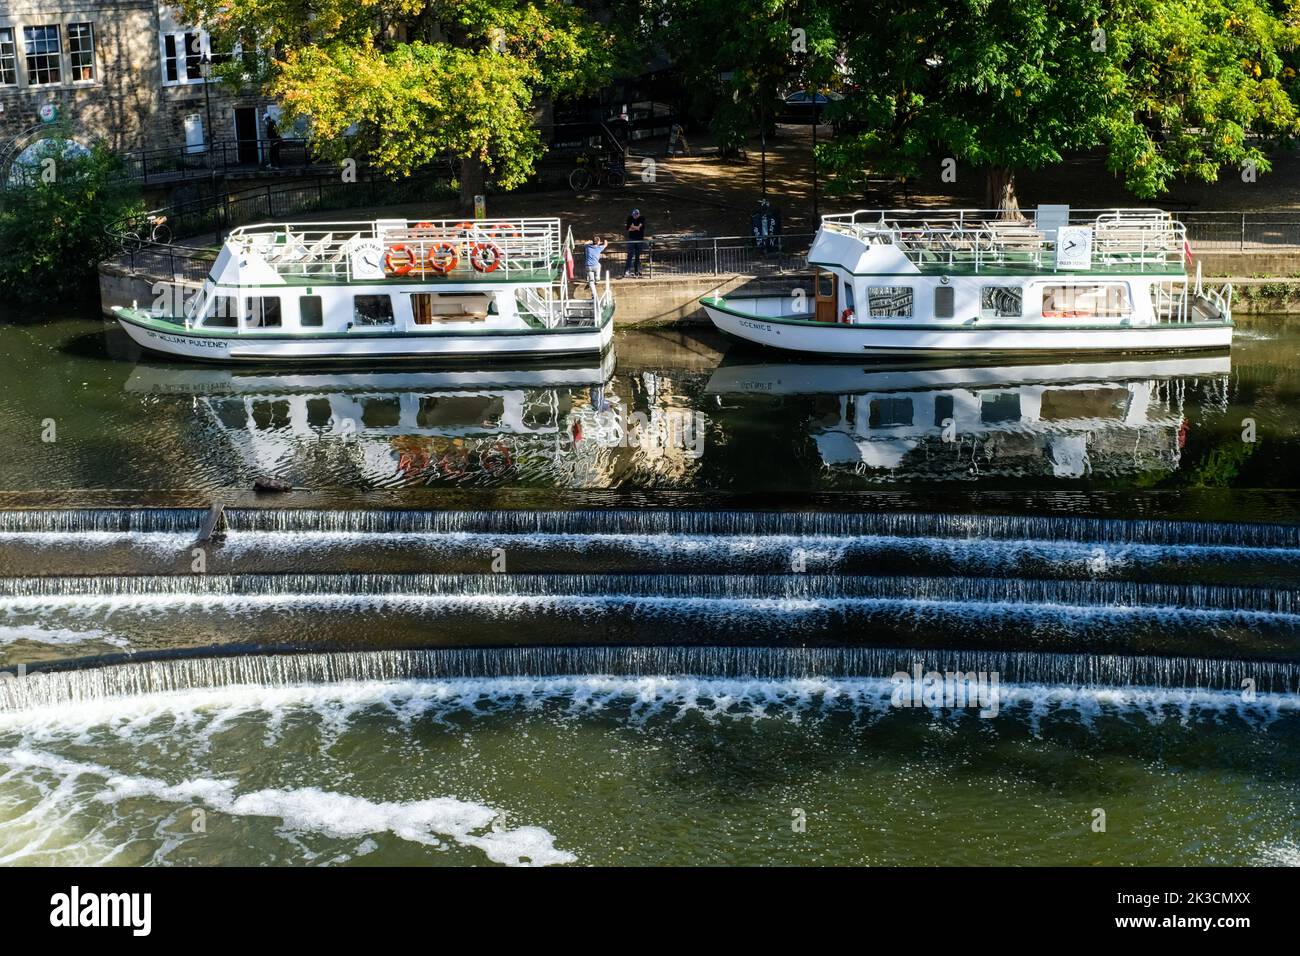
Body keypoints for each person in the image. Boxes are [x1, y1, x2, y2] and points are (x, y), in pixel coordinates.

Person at [623, 208, 646, 278]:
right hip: (631, 239)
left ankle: (637, 271)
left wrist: (633, 227)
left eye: (636, 214)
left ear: (639, 214)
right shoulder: (629, 218)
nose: (635, 216)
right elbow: (628, 228)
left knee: (637, 256)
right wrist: (636, 227)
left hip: (639, 239)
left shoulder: (642, 218)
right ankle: (627, 271)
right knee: (630, 255)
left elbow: (640, 228)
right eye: (634, 214)